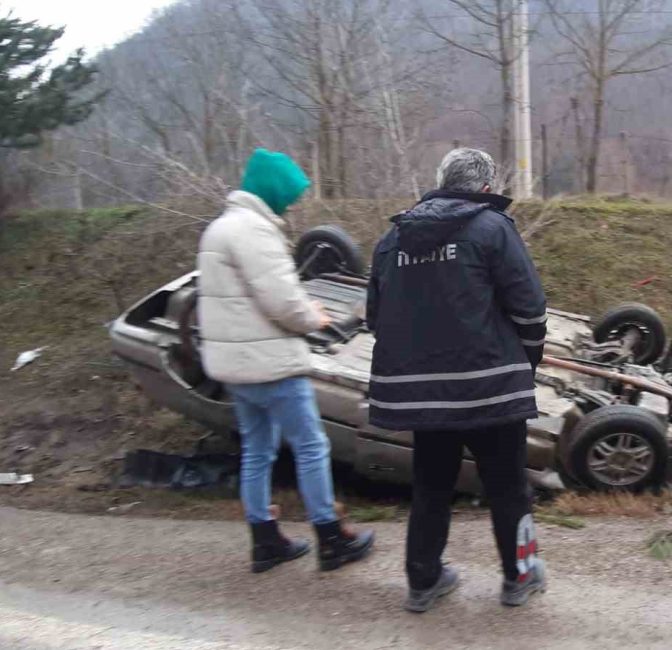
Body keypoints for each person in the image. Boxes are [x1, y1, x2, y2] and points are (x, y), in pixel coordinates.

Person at [367, 148, 548, 612]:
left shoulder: (393, 239)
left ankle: (423, 582)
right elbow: (529, 307)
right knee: (508, 487)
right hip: (490, 386)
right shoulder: (492, 228)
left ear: (442, 182)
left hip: (425, 397)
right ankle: (520, 576)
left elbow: (375, 317)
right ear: (486, 189)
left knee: (431, 486)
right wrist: (525, 362)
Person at [197, 148, 374, 573]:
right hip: (271, 365)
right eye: (289, 195)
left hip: (237, 368)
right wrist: (314, 314)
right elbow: (282, 303)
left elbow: (244, 299)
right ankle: (330, 537)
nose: (291, 204)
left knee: (258, 450)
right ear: (273, 190)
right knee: (312, 446)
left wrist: (298, 303)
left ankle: (264, 540)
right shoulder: (255, 231)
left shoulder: (218, 230)